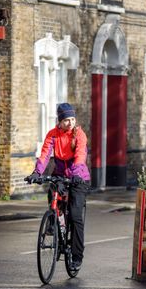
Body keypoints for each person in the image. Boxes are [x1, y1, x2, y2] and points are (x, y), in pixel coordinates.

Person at [26, 103, 90, 271]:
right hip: (60, 174)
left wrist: (75, 173)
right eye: (66, 120)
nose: (70, 123)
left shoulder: (79, 135)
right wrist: (37, 173)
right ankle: (54, 221)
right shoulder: (53, 134)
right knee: (53, 193)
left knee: (75, 216)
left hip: (78, 178)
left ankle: (77, 256)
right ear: (60, 121)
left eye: (72, 120)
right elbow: (45, 154)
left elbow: (80, 154)